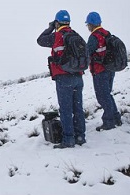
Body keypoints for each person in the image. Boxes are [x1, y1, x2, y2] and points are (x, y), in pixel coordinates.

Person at [37, 10, 86, 148]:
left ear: (57, 22)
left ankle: (68, 139)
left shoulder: (56, 36)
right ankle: (80, 136)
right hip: (78, 77)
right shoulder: (77, 35)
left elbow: (40, 40)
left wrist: (51, 27)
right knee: (78, 108)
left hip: (64, 78)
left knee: (65, 110)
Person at [85, 11, 122, 131]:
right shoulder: (107, 34)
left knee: (102, 96)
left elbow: (87, 53)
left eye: (88, 25)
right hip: (110, 69)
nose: (88, 27)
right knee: (108, 94)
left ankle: (108, 121)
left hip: (100, 71)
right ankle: (116, 118)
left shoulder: (93, 37)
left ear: (91, 24)